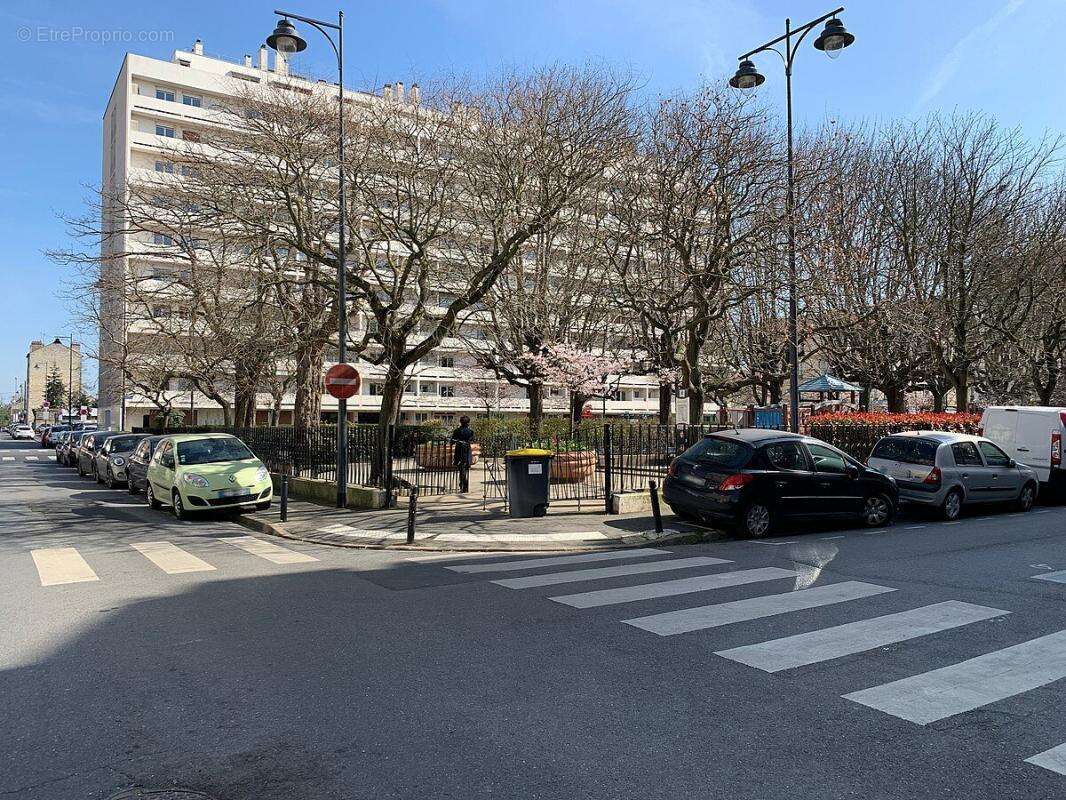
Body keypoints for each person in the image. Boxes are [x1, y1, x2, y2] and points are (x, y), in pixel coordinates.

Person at [451, 416, 475, 493]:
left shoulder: (457, 431)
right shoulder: (470, 431)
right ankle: (465, 484)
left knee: (461, 467)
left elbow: (452, 441)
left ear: (460, 422)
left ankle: (463, 484)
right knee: (466, 467)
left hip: (459, 449)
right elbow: (472, 440)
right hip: (467, 450)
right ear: (468, 423)